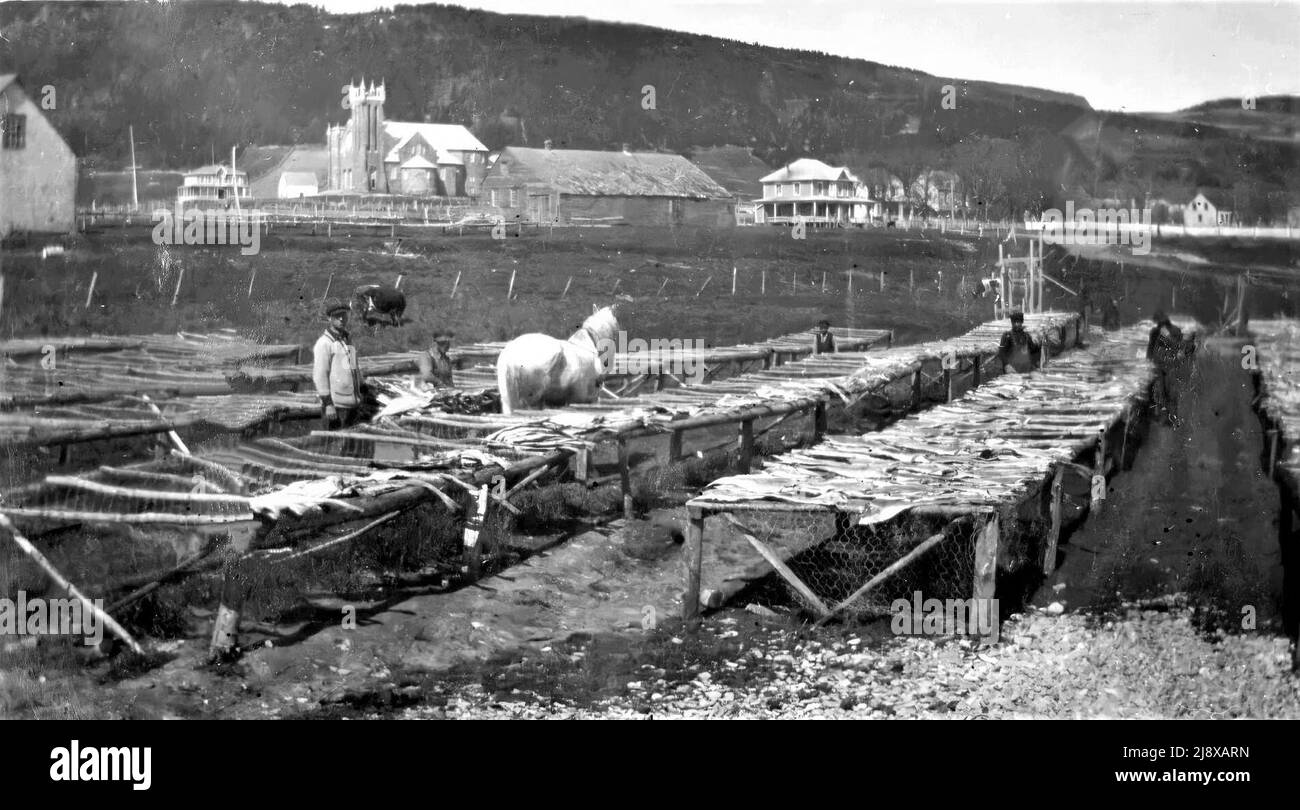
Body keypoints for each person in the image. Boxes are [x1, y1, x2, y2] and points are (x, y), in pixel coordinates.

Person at [313, 300, 363, 431]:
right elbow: (320, 376)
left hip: (353, 405)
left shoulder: (348, 340)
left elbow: (354, 367)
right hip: (336, 407)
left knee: (349, 447)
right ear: (329, 318)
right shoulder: (324, 343)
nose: (341, 318)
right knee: (333, 446)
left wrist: (362, 387)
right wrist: (328, 404)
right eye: (337, 316)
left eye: (344, 315)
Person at [1146, 310, 1185, 425]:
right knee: (1163, 391)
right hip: (1163, 364)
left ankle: (1169, 415)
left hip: (1165, 364)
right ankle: (1167, 415)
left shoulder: (1165, 331)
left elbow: (1178, 344)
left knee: (1165, 391)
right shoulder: (1159, 332)